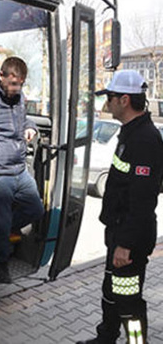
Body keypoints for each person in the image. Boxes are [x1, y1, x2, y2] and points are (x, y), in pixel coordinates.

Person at [76, 70, 163, 344]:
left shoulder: (145, 140)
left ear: (124, 100)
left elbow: (142, 199)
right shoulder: (131, 134)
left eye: (110, 98)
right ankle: (106, 338)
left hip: (130, 240)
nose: (107, 103)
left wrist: (125, 244)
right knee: (112, 293)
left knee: (128, 302)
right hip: (119, 233)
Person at [0, 56, 45, 284]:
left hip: (19, 170)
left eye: (19, 85)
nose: (16, 90)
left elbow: (24, 120)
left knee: (36, 209)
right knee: (2, 222)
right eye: (12, 84)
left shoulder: (20, 97)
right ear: (1, 77)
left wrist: (31, 127)